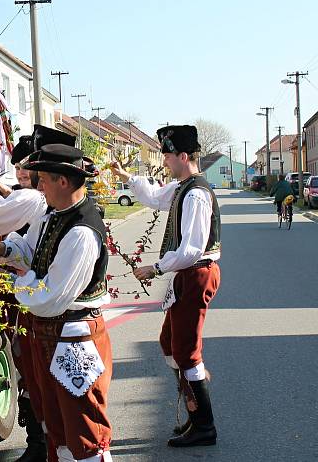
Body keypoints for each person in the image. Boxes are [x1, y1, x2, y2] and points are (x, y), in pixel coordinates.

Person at [0, 124, 75, 462]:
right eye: (27, 165)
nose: (25, 172)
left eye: (33, 165)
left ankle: (45, 445)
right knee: (36, 372)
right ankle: (44, 444)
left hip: (43, 303)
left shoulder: (35, 199)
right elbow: (26, 245)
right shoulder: (44, 202)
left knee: (36, 371)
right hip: (40, 299)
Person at [0, 143, 113, 462]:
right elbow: (29, 250)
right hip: (50, 335)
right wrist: (5, 252)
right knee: (56, 428)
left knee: (85, 433)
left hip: (75, 338)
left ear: (63, 181)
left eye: (43, 179)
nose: (38, 186)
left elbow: (50, 298)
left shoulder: (82, 232)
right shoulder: (52, 217)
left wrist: (18, 279)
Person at [110, 125, 220, 447]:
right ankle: (193, 410)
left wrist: (155, 267)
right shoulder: (181, 187)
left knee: (186, 351)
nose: (165, 160)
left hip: (197, 272)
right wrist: (126, 176)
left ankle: (204, 425)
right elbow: (154, 197)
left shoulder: (196, 194)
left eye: (168, 155)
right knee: (170, 342)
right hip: (187, 273)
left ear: (183, 156)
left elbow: (191, 250)